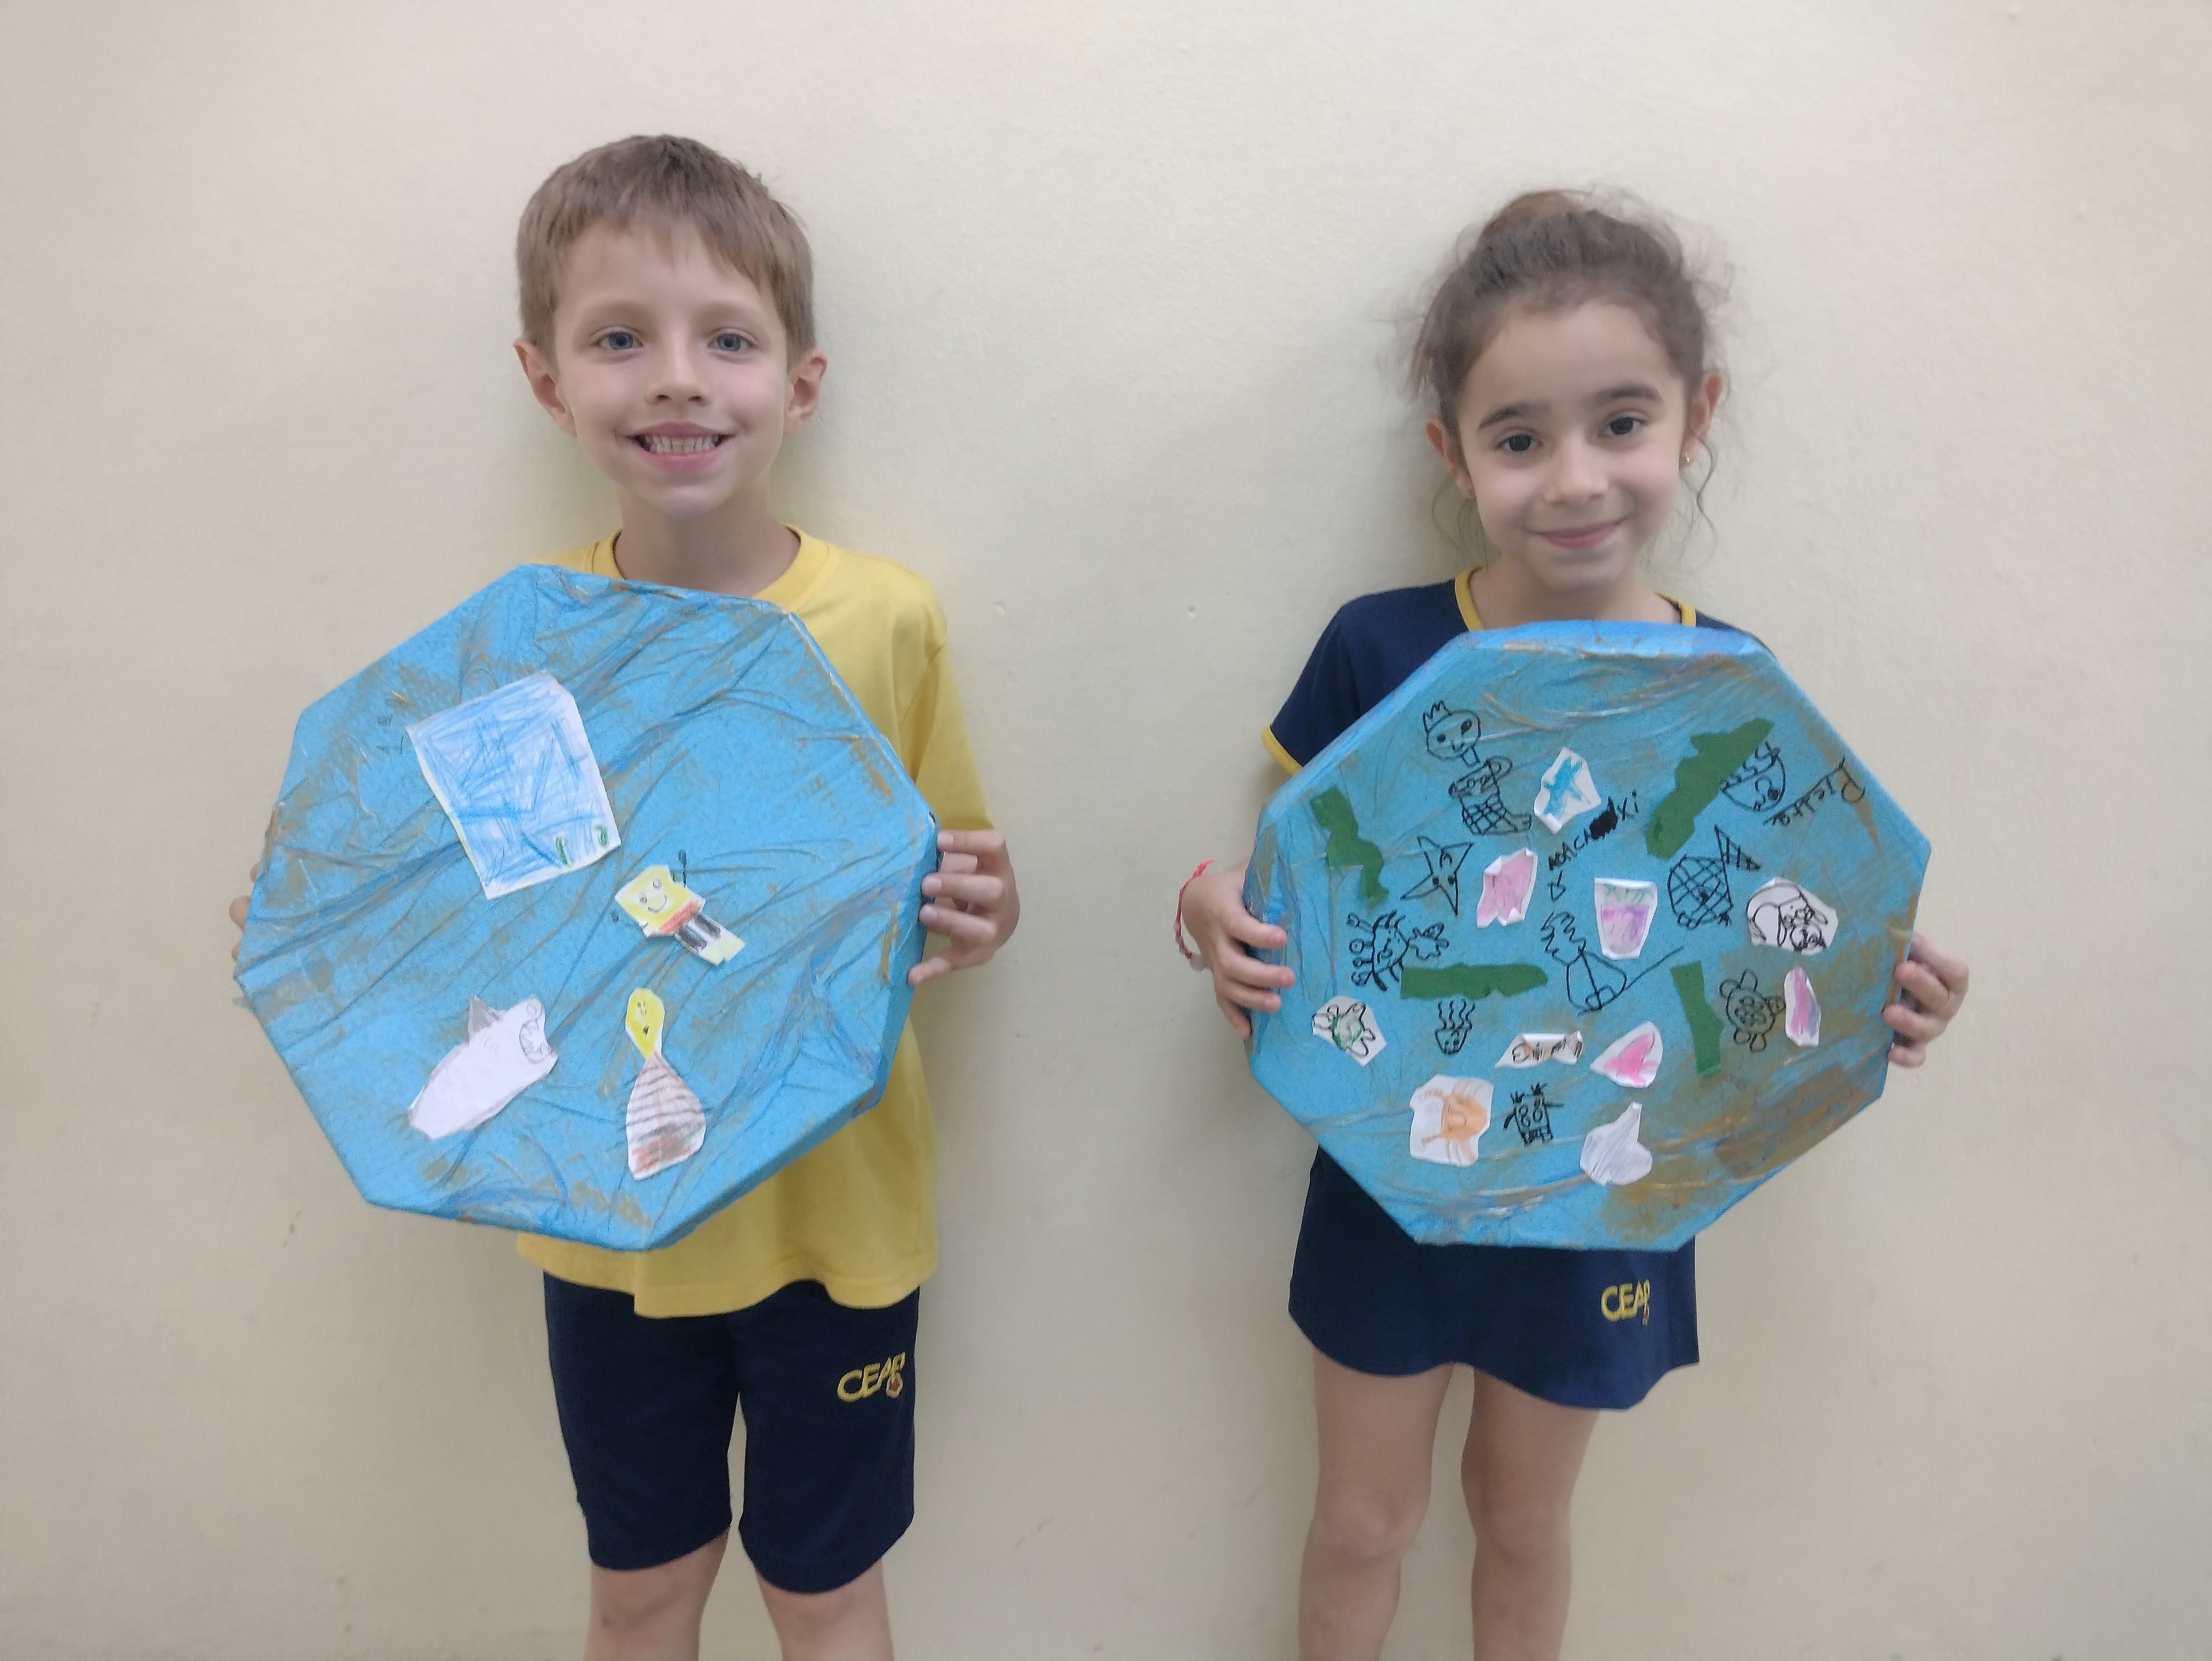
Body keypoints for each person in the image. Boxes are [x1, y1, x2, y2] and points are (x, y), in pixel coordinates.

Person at [232, 134, 1019, 1661]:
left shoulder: (885, 618)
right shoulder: (526, 646)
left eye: (727, 339)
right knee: (642, 1591)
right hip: (610, 1233)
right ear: (546, 380)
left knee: (827, 1592)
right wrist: (330, 933)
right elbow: (472, 919)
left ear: (800, 381)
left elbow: (963, 883)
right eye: (618, 340)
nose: (676, 380)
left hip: (836, 1218)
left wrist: (980, 915)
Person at [1175, 191, 1970, 1661]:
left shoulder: (1731, 685)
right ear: (1453, 452)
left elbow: (1788, 938)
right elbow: (1285, 875)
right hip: (1389, 1165)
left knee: (1526, 1521)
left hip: (1614, 1173)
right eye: (1520, 438)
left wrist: (1889, 988)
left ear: (1696, 416)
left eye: (1621, 423)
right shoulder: (1380, 646)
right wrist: (1204, 913)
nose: (1576, 479)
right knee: (1362, 1524)